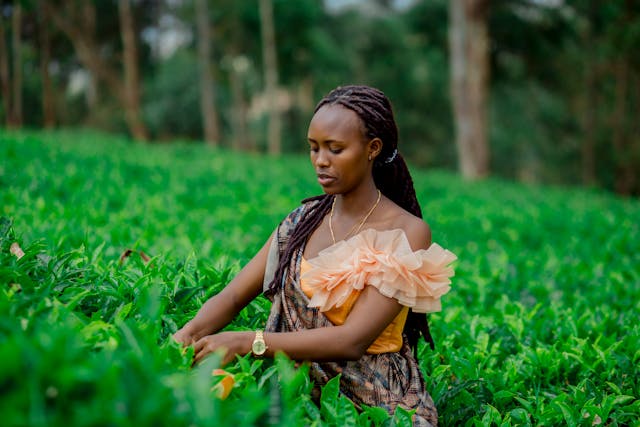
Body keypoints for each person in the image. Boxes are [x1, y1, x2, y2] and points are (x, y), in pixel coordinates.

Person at [173, 85, 456, 426]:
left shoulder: (407, 233)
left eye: (336, 149)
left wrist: (249, 342)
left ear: (372, 149)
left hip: (378, 405)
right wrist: (179, 343)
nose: (321, 161)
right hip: (293, 392)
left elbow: (352, 341)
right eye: (313, 148)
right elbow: (233, 296)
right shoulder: (301, 222)